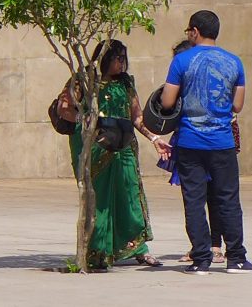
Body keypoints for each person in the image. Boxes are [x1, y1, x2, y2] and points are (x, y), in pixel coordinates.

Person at [160, 10, 252, 275]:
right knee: (228, 199)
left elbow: (167, 102)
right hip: (222, 142)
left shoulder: (181, 61)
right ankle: (237, 258)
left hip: (190, 141)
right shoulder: (235, 62)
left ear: (194, 31)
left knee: (194, 200)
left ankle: (201, 260)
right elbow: (237, 105)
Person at [59, 40, 171, 271]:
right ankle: (98, 252)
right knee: (99, 201)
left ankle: (139, 250)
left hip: (124, 148)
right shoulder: (84, 80)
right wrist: (88, 123)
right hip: (96, 149)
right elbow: (64, 108)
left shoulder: (126, 83)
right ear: (103, 58)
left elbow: (136, 116)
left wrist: (154, 138)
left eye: (123, 58)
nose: (121, 63)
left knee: (130, 196)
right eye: (116, 58)